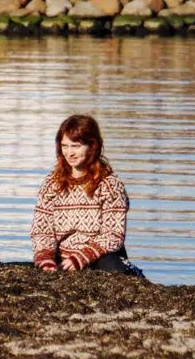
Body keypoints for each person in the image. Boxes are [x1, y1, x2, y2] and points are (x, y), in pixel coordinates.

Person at [30, 114, 137, 274]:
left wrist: (82, 257)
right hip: (63, 259)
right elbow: (41, 230)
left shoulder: (110, 184)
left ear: (92, 146)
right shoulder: (52, 183)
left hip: (101, 258)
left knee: (114, 269)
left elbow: (114, 234)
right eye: (65, 146)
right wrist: (46, 258)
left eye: (76, 146)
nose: (69, 153)